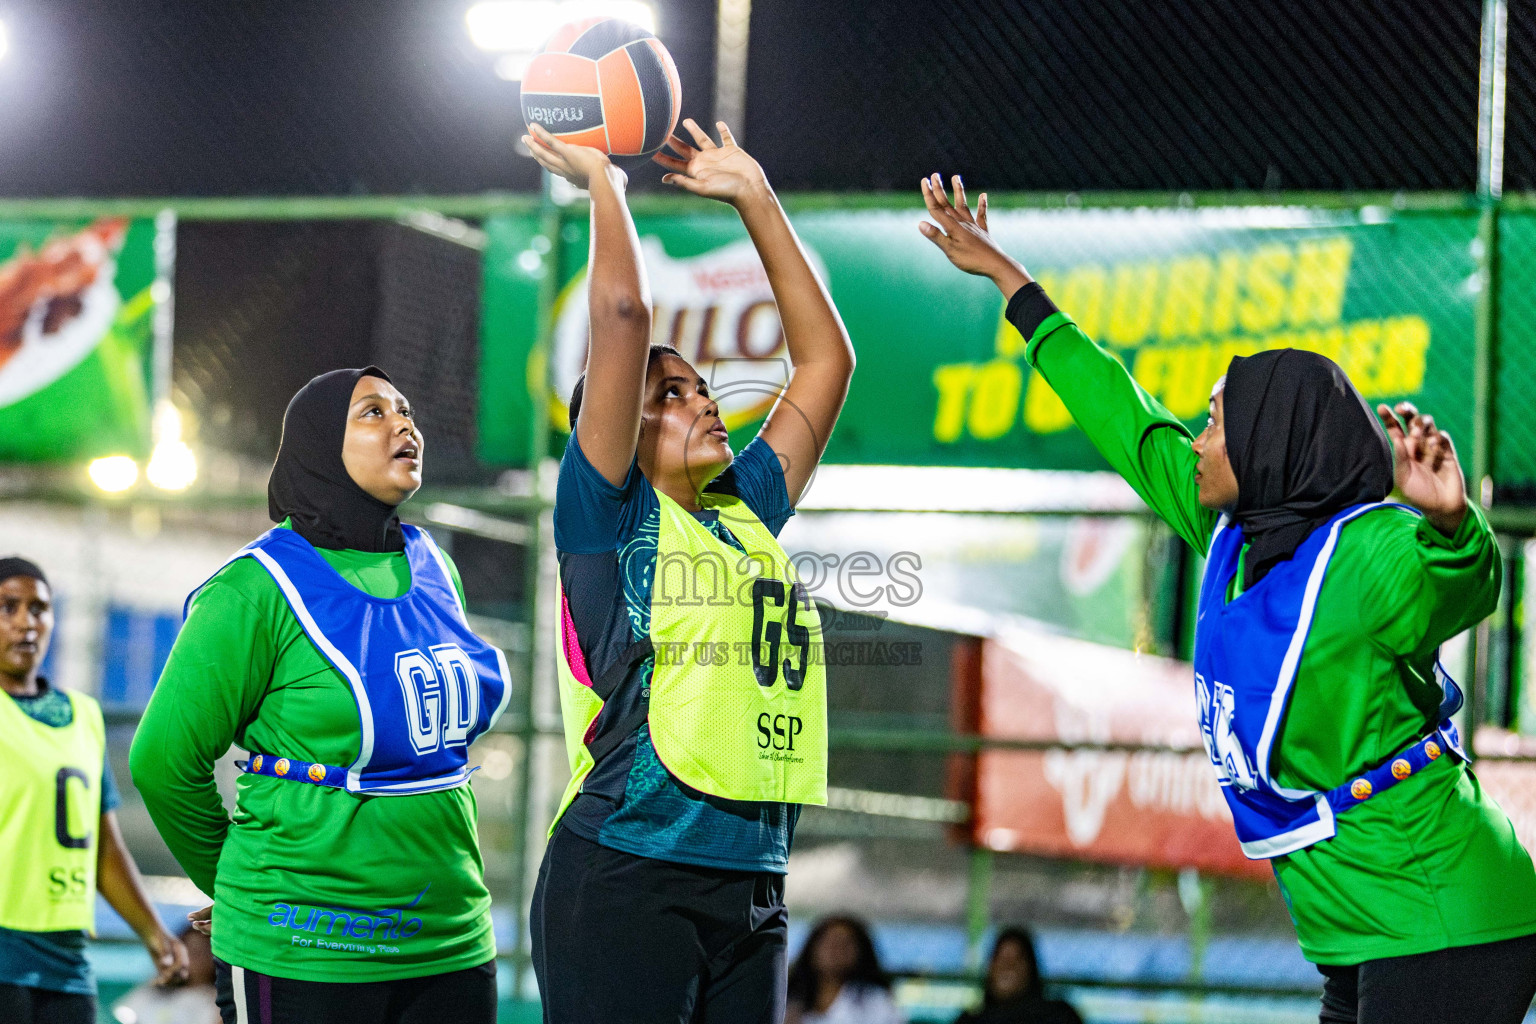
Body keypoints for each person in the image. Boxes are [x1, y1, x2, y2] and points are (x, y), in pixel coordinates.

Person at [917, 173, 1536, 1024]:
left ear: (1270, 444)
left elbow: (1461, 592)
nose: (1198, 436)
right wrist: (1009, 282)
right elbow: (1120, 413)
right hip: (1360, 930)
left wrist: (1456, 525)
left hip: (1442, 915)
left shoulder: (1368, 551)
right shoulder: (1231, 539)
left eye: (1216, 421)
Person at [523, 117, 856, 1023]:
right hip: (629, 870)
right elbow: (624, 318)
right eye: (667, 394)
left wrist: (755, 195)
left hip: (753, 884)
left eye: (701, 387)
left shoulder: (745, 509)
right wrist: (605, 183)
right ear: (620, 426)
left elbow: (827, 362)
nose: (702, 398)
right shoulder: (610, 515)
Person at [130, 367, 511, 1024]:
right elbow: (163, 760)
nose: (403, 424)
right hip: (307, 950)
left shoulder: (434, 567)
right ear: (316, 444)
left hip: (451, 944)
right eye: (372, 412)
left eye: (406, 410)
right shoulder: (255, 588)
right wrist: (233, 885)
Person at [0, 556, 188, 1024]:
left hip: (66, 959)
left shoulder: (83, 714)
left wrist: (155, 934)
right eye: (9, 607)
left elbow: (102, 845)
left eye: (39, 608)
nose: (26, 621)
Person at [785, 917, 903, 1024]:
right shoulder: (788, 999)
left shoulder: (877, 1001)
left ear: (861, 952)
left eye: (845, 944)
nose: (835, 951)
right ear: (811, 948)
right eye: (828, 943)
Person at [955, 928, 1080, 1024]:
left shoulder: (1058, 1016)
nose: (1008, 967)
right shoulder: (970, 1020)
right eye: (1001, 959)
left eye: (1017, 959)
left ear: (1031, 968)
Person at [112, 923, 220, 1024]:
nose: (192, 958)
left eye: (201, 952)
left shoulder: (218, 1000)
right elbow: (127, 1012)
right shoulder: (155, 989)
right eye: (188, 950)